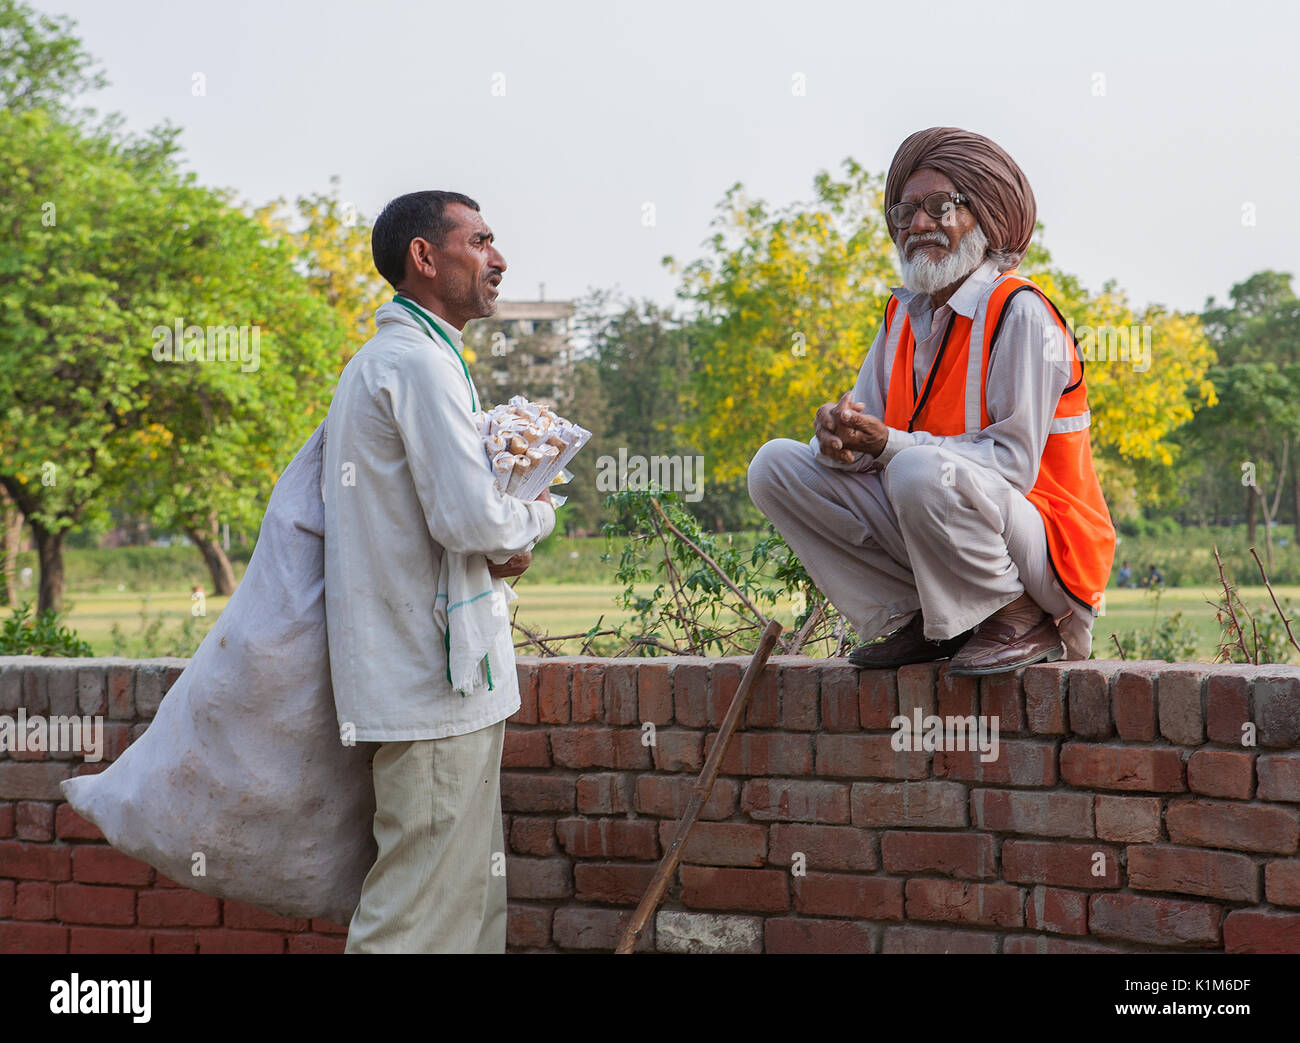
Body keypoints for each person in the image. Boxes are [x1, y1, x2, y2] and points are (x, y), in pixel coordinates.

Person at [748, 127, 1115, 676]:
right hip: (946, 520)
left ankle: (1015, 617)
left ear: (985, 217)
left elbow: (1012, 467)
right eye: (906, 211)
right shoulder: (902, 315)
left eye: (941, 206)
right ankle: (923, 619)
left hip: (1047, 549)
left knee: (918, 469)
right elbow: (869, 441)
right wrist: (837, 437)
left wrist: (890, 445)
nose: (919, 224)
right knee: (775, 465)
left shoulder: (1020, 313)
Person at [322, 191, 556, 952]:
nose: (499, 258)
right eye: (480, 241)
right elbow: (471, 520)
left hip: (439, 680)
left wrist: (499, 532)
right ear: (425, 258)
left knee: (466, 910)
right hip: (429, 685)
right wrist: (536, 514)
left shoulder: (409, 357)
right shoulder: (417, 363)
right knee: (415, 922)